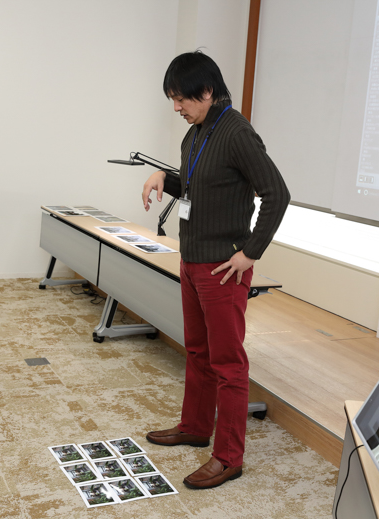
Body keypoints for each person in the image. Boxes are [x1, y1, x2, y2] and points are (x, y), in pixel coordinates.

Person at [142, 51, 290, 490]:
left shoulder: (237, 133)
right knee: (197, 351)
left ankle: (228, 457)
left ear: (207, 91)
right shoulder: (196, 132)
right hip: (192, 260)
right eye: (172, 99)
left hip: (223, 268)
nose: (176, 107)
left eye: (181, 98)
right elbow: (197, 186)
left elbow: (276, 194)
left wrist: (250, 252)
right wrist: (164, 178)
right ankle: (195, 426)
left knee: (228, 363)